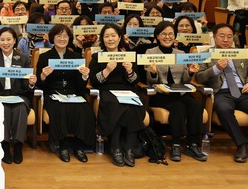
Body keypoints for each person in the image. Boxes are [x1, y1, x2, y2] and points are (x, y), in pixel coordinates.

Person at [195, 24, 248, 163]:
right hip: (221, 92)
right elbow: (199, 77)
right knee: (224, 109)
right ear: (214, 37)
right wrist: (216, 68)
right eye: (222, 36)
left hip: (243, 91)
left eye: (229, 36)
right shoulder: (205, 55)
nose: (226, 40)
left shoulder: (241, 53)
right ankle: (242, 144)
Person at [144, 21, 207, 162]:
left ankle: (193, 144)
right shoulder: (150, 53)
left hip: (180, 92)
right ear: (157, 36)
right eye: (164, 34)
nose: (167, 37)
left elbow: (185, 79)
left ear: (175, 36)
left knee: (196, 106)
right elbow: (151, 80)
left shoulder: (181, 54)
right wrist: (153, 73)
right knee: (178, 107)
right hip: (160, 94)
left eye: (170, 34)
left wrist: (190, 72)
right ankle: (176, 144)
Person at [89, 24, 146, 167]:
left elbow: (135, 81)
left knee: (134, 105)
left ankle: (129, 148)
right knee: (115, 105)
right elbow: (94, 81)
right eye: (107, 36)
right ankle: (115, 147)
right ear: (102, 39)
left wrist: (130, 71)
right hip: (107, 90)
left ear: (119, 38)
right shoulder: (97, 57)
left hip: (127, 90)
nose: (110, 39)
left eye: (113, 35)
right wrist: (107, 71)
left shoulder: (128, 56)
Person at [36, 24, 95, 162]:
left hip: (73, 93)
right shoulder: (44, 57)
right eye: (59, 36)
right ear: (52, 38)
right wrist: (43, 76)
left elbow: (80, 86)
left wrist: (84, 77)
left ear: (69, 38)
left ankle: (79, 146)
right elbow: (40, 85)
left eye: (65, 36)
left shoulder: (76, 57)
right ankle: (62, 145)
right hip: (53, 93)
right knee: (59, 109)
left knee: (84, 109)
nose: (62, 39)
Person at [0, 27, 36, 165]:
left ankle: (18, 145)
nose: (5, 43)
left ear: (14, 41)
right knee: (2, 108)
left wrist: (31, 83)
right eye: (2, 40)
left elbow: (26, 85)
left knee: (20, 107)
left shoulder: (23, 58)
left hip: (19, 95)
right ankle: (5, 145)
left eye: (8, 39)